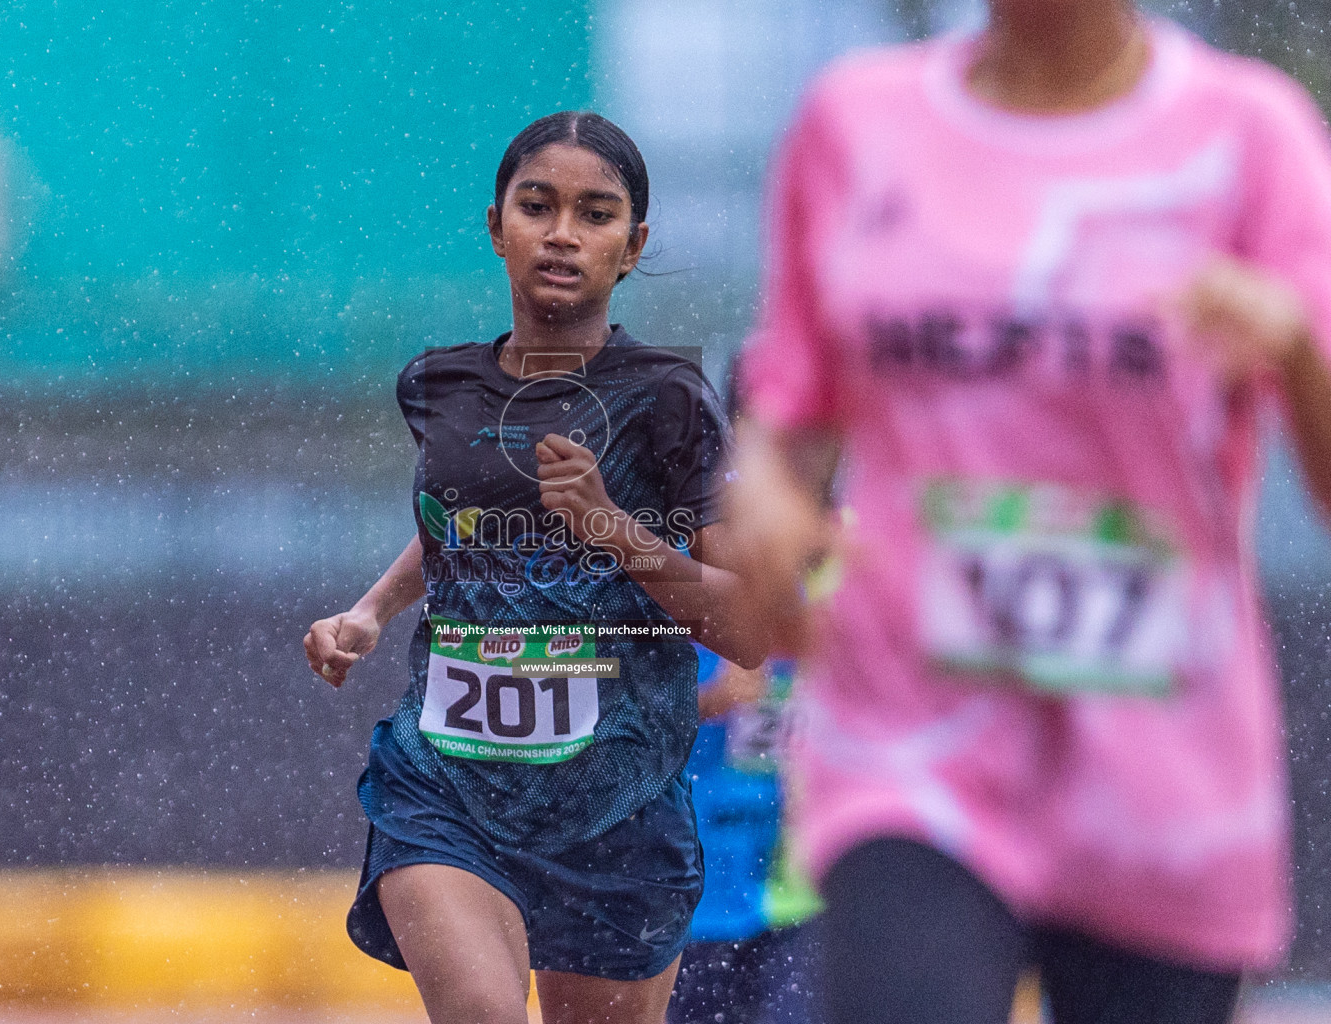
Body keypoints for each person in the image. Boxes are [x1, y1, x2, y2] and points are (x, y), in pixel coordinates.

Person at [724, 1, 1331, 1022]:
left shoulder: (1246, 134)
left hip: (1160, 767)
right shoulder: (857, 122)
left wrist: (1298, 348)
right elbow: (786, 413)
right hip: (913, 735)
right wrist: (765, 500)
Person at [305, 111, 764, 1024]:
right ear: (496, 226)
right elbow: (461, 528)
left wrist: (609, 527)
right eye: (537, 206)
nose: (561, 234)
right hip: (449, 783)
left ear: (631, 248)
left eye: (595, 215)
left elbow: (747, 628)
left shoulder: (668, 401)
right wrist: (373, 609)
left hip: (618, 803)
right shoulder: (437, 386)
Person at [666, 646, 824, 1024]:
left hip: (794, 898)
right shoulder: (666, 609)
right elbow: (601, 707)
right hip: (695, 903)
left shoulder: (809, 617)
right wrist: (709, 701)